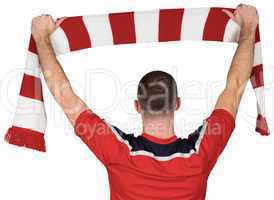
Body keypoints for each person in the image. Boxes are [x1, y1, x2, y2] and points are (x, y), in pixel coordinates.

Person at [31, 4, 259, 200]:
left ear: (137, 106)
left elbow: (65, 96)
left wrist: (41, 38)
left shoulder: (118, 152)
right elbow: (235, 86)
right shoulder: (199, 156)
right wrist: (248, 29)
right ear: (177, 103)